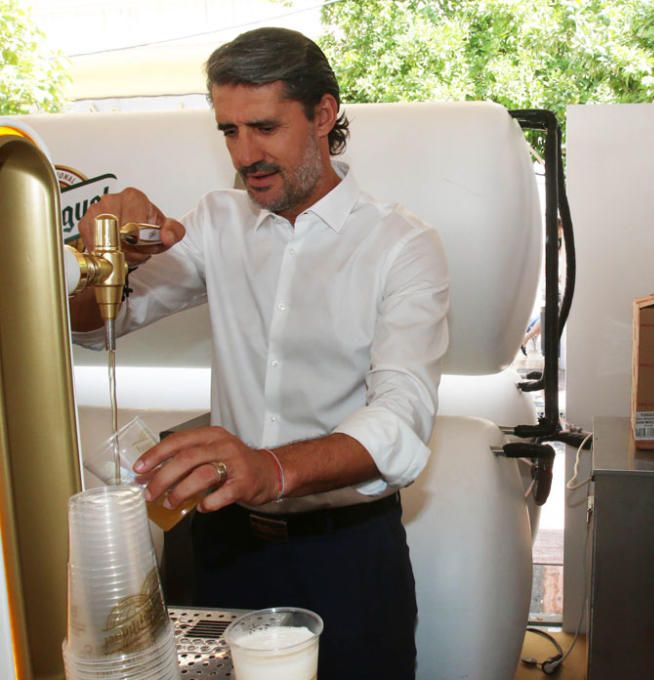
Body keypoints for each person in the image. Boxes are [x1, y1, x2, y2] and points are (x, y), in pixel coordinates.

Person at [70, 27, 449, 680]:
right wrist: (103, 262)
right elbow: (94, 327)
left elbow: (402, 416)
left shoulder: (401, 246)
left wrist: (268, 468)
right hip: (225, 551)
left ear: (324, 115)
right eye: (229, 131)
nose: (246, 155)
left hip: (348, 558)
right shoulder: (218, 222)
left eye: (265, 127)